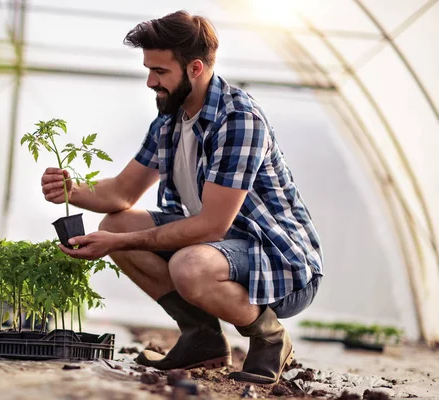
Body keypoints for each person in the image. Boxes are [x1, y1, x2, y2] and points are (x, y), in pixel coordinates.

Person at [41, 10, 323, 384]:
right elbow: (122, 193)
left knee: (188, 266)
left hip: (280, 260)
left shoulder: (238, 118)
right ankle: (202, 338)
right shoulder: (170, 119)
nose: (149, 81)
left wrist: (118, 243)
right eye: (148, 69)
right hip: (221, 247)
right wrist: (72, 191)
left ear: (194, 68)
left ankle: (269, 337)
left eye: (160, 72)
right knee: (117, 223)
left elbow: (212, 224)